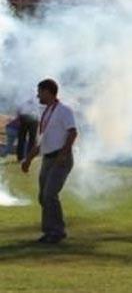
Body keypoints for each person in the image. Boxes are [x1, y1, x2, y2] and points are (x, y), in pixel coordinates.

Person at [21, 79, 78, 244]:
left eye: (40, 91)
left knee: (49, 194)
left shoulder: (64, 110)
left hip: (61, 158)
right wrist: (28, 159)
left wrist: (63, 154)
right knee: (43, 197)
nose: (37, 95)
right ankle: (50, 230)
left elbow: (73, 133)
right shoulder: (46, 112)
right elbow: (41, 140)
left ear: (48, 92)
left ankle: (56, 231)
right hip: (48, 158)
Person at [16, 97, 40, 161]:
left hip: (24, 118)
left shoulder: (23, 103)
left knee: (21, 139)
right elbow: (39, 113)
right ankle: (28, 157)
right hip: (33, 119)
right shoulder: (36, 104)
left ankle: (20, 157)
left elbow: (18, 111)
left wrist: (19, 117)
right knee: (31, 139)